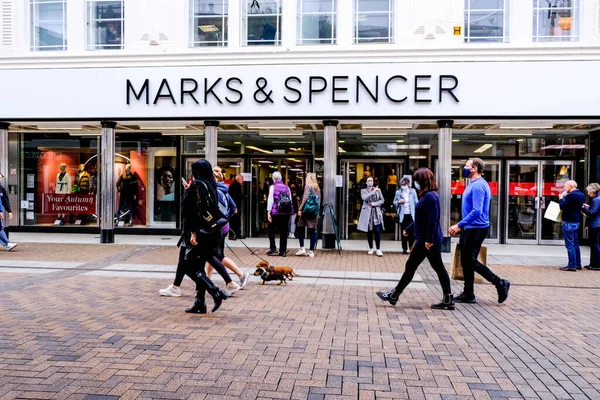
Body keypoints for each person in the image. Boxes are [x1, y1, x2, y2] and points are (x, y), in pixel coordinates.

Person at [376, 168, 454, 310]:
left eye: (417, 180)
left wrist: (429, 240)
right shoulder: (427, 195)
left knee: (414, 266)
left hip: (427, 240)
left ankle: (394, 295)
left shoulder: (430, 196)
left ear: (423, 181)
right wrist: (409, 228)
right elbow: (421, 218)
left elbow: (433, 220)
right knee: (433, 267)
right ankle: (447, 298)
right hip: (426, 239)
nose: (415, 183)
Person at [449, 158, 510, 304]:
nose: (464, 168)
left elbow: (477, 211)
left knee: (470, 260)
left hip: (476, 228)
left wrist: (458, 225)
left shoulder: (478, 186)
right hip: (470, 227)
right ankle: (468, 293)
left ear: (474, 168)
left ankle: (500, 282)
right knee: (465, 260)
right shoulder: (473, 184)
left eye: (466, 166)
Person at [176, 159, 230, 313]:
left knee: (188, 266)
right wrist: (189, 190)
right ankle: (200, 302)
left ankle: (215, 292)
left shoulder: (198, 184)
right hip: (209, 232)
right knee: (198, 265)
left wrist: (193, 232)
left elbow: (194, 211)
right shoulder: (210, 184)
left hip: (197, 232)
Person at [204, 167, 249, 292]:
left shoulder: (214, 191)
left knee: (217, 255)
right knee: (211, 254)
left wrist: (219, 221)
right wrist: (225, 219)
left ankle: (240, 274)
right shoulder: (224, 190)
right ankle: (207, 280)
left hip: (216, 228)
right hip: (223, 227)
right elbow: (233, 208)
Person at [559, 179, 586, 271]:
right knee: (575, 244)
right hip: (576, 221)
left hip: (568, 221)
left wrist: (561, 198)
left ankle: (572, 265)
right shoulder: (582, 195)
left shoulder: (571, 195)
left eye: (566, 186)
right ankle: (578, 264)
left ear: (571, 186)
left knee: (569, 244)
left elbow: (562, 206)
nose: (564, 187)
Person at [266, 171, 294, 257]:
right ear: (281, 178)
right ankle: (283, 251)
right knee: (284, 231)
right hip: (286, 212)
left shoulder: (272, 187)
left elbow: (270, 200)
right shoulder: (287, 187)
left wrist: (268, 212)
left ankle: (273, 248)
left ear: (273, 179)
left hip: (276, 212)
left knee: (270, 229)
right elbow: (290, 200)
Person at [357, 176, 385, 257]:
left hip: (376, 213)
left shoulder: (378, 190)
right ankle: (371, 248)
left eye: (371, 180)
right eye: (368, 180)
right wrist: (373, 192)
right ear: (366, 182)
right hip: (367, 213)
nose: (370, 182)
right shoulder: (363, 190)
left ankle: (378, 249)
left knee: (377, 231)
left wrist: (375, 204)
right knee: (369, 231)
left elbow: (382, 200)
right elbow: (364, 198)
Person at [296, 173, 321, 258]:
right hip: (314, 212)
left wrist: (300, 209)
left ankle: (302, 248)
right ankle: (311, 251)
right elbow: (318, 201)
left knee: (300, 227)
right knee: (312, 231)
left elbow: (305, 198)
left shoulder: (308, 186)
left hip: (306, 211)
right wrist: (317, 212)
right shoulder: (317, 188)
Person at [394, 177, 418, 254]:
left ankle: (411, 248)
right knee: (404, 232)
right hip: (403, 215)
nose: (403, 186)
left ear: (408, 184)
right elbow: (394, 202)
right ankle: (404, 248)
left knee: (412, 233)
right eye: (402, 184)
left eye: (404, 184)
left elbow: (416, 202)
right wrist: (399, 202)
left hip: (411, 215)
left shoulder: (413, 191)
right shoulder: (398, 192)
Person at [583, 183, 600, 271]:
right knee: (594, 245)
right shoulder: (597, 199)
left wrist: (583, 208)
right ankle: (593, 263)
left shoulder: (596, 200)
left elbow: (591, 213)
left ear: (593, 191)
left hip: (595, 225)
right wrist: (589, 207)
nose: (588, 193)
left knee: (595, 245)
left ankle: (596, 264)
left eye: (589, 191)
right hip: (597, 224)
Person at [0, 173, 16, 251]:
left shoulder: (1, 189)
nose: (0, 180)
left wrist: (9, 211)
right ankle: (7, 244)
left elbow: (5, 201)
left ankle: (7, 244)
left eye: (0, 178)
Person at [228, 174, 244, 240]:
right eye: (242, 179)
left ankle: (235, 234)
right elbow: (235, 196)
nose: (243, 180)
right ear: (238, 179)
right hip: (235, 206)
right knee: (234, 221)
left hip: (234, 206)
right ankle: (234, 234)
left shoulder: (234, 185)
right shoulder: (235, 186)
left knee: (235, 221)